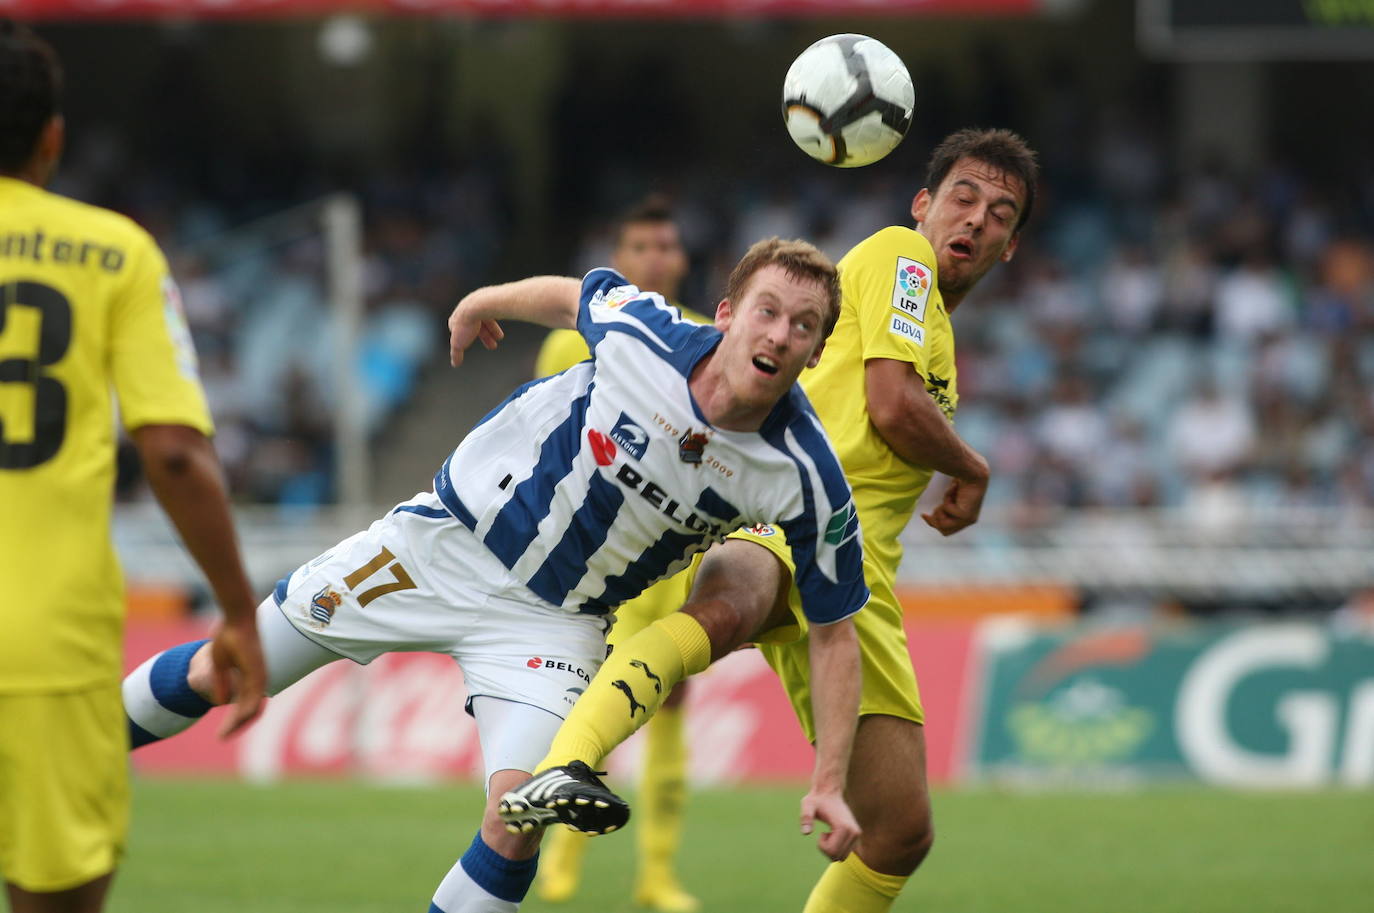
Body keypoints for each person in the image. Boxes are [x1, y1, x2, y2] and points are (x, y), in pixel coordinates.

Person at [123, 237, 869, 913]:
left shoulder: (805, 477)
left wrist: (829, 780)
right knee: (223, 669)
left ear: (817, 349)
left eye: (802, 325)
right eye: (768, 311)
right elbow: (572, 295)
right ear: (728, 312)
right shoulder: (644, 331)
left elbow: (836, 631)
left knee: (518, 817)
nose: (779, 334)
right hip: (437, 548)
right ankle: (60, 747)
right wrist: (480, 302)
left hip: (554, 623)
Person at [501, 128, 1039, 913]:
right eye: (963, 196)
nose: (977, 219)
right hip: (788, 508)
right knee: (727, 609)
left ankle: (592, 787)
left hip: (860, 581)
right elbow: (889, 402)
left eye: (1000, 213)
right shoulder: (902, 254)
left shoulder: (941, 337)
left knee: (899, 830)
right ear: (923, 204)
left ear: (1012, 247)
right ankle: (567, 759)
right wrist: (973, 466)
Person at [0, 20, 266, 913]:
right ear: (52, 137)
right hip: (43, 636)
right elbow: (174, 451)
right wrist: (235, 608)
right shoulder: (114, 252)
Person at [532, 197, 706, 912]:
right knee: (592, 714)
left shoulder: (705, 337)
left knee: (669, 715)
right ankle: (561, 863)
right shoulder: (575, 337)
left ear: (682, 256)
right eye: (642, 245)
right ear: (619, 257)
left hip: (676, 564)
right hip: (599, 563)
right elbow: (546, 435)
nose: (657, 257)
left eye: (667, 244)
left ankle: (656, 875)